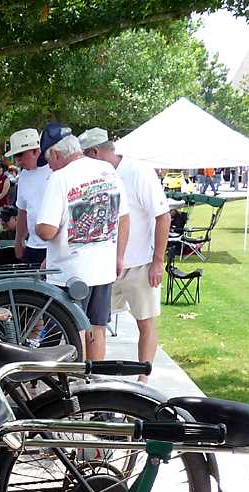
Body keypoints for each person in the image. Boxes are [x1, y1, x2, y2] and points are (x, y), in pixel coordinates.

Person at [79, 128, 170, 380]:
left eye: (86, 156)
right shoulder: (96, 175)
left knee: (145, 322)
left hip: (140, 264)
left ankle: (144, 379)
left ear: (95, 152)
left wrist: (158, 262)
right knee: (94, 324)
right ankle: (95, 377)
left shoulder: (138, 172)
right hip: (104, 267)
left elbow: (163, 217)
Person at [35, 132, 129, 362]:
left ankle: (80, 386)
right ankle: (95, 381)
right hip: (103, 268)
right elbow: (124, 217)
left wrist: (39, 229)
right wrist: (119, 258)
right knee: (97, 328)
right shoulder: (108, 170)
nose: (49, 167)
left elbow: (47, 230)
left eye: (49, 162)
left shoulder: (60, 178)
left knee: (73, 330)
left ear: (56, 154)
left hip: (70, 273)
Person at [9, 127, 51, 267]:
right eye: (15, 156)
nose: (18, 160)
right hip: (33, 245)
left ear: (36, 151)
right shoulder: (24, 176)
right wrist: (18, 240)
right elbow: (23, 211)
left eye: (20, 155)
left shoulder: (54, 171)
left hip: (54, 246)